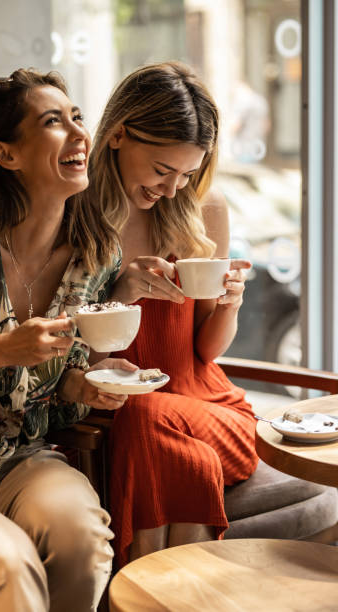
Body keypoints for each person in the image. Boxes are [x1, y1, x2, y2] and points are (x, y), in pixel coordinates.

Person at [0, 68, 137, 611]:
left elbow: (41, 396)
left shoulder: (96, 257)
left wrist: (81, 388)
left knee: (81, 541)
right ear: (7, 155)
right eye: (53, 121)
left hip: (20, 459)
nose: (78, 133)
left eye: (77, 118)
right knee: (7, 564)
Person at [75, 61, 259, 568]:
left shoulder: (205, 209)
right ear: (117, 135)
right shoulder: (76, 211)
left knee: (143, 414)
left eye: (188, 174)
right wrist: (120, 293)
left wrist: (230, 304)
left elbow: (206, 351)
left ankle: (142, 594)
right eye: (162, 170)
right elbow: (71, 353)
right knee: (140, 416)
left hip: (211, 411)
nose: (174, 189)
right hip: (113, 409)